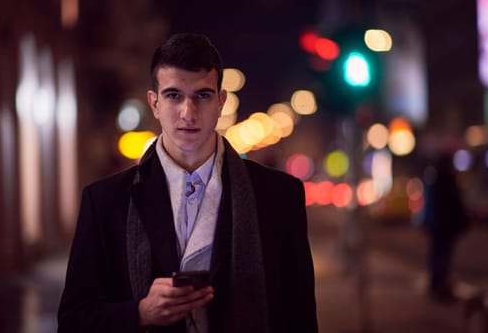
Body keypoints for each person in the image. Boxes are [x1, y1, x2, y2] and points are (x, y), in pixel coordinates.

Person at [57, 33, 318, 333]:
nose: (188, 113)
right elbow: (73, 322)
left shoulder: (279, 196)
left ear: (221, 102)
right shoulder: (105, 202)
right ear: (154, 103)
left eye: (202, 96)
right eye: (174, 96)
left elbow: (300, 318)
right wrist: (140, 313)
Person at [421, 152, 470, 302]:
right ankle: (440, 287)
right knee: (443, 256)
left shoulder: (434, 177)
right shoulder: (447, 178)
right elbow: (453, 203)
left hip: (437, 224)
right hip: (445, 225)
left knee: (437, 254)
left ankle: (436, 285)